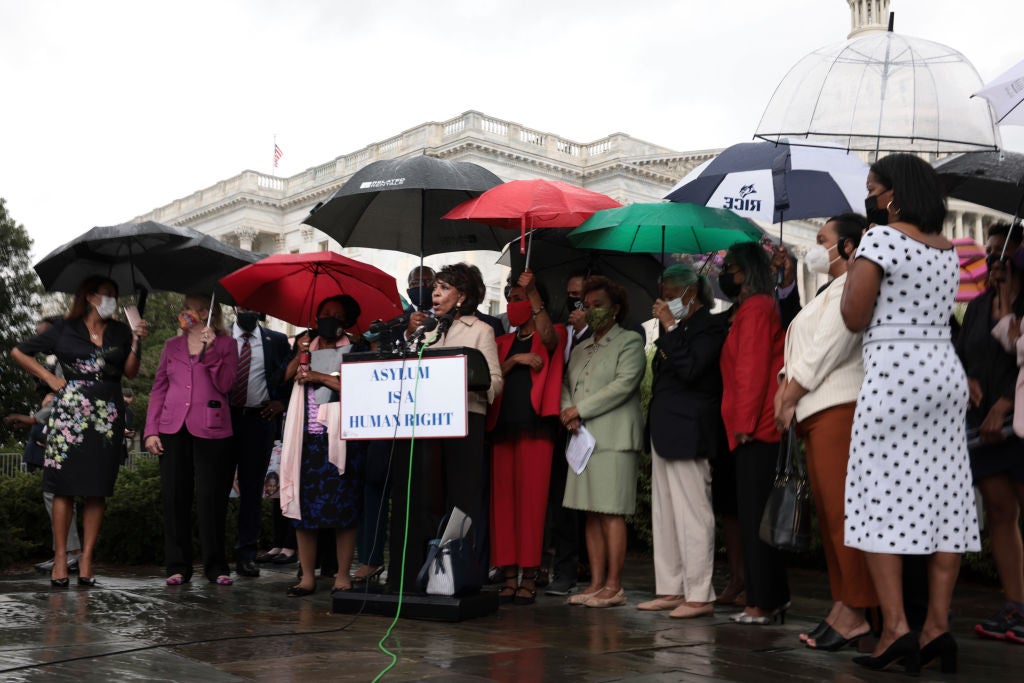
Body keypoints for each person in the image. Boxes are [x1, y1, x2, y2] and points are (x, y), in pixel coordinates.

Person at [841, 153, 981, 674]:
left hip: (896, 372)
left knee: (878, 493)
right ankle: (937, 628)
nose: (870, 197)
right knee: (945, 492)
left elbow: (854, 317)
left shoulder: (879, 239)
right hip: (943, 372)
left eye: (874, 188)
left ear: (893, 193)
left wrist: (858, 260)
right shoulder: (948, 251)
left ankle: (896, 628)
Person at [774, 213, 878, 649]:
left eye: (822, 239)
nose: (815, 247)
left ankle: (856, 610)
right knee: (831, 515)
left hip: (838, 405)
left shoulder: (852, 286)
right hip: (816, 410)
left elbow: (830, 346)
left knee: (842, 517)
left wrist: (789, 390)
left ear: (849, 246)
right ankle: (843, 603)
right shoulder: (825, 289)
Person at [12, 275, 147, 587]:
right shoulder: (63, 326)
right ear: (89, 296)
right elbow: (19, 352)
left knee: (97, 488)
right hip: (69, 415)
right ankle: (62, 557)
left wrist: (137, 340)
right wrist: (48, 377)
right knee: (63, 487)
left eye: (115, 294)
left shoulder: (120, 330)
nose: (111, 299)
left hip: (107, 414)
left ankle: (86, 557)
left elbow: (131, 372)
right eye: (106, 294)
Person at [388, 263, 504, 591]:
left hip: (466, 422)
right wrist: (411, 336)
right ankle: (419, 573)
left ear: (462, 295)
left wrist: (468, 381)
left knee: (460, 499)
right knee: (424, 497)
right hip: (427, 425)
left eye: (443, 288)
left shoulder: (480, 330)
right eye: (434, 288)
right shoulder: (426, 330)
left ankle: (453, 574)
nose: (434, 294)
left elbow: (495, 380)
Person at [639, 264, 726, 619]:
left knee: (693, 513)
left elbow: (692, 369)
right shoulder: (678, 328)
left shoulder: (711, 326)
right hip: (665, 429)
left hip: (691, 430)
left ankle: (700, 593)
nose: (667, 302)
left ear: (691, 294)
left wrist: (671, 327)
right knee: (665, 514)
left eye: (673, 295)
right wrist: (669, 329)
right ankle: (672, 588)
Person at [955, 222, 1024, 642]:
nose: (994, 263)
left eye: (1002, 255)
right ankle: (1015, 604)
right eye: (989, 254)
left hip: (1017, 420)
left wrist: (1007, 403)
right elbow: (962, 352)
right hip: (983, 426)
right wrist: (966, 381)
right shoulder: (980, 306)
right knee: (1000, 512)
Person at [561, 275, 645, 608]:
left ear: (616, 309)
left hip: (613, 437)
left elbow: (624, 384)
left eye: (598, 306)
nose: (591, 311)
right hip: (583, 438)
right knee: (590, 513)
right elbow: (567, 384)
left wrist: (580, 408)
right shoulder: (580, 347)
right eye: (587, 305)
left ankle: (614, 585)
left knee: (611, 512)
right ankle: (596, 583)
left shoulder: (629, 341)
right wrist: (567, 409)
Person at [145, 294, 238, 586]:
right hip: (172, 428)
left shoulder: (226, 344)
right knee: (175, 497)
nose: (187, 313)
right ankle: (177, 566)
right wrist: (151, 430)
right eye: (185, 308)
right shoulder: (171, 346)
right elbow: (159, 388)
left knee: (211, 499)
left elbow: (226, 384)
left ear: (208, 313)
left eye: (193, 308)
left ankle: (216, 566)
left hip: (212, 429)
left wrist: (210, 351)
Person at [718, 241, 788, 625]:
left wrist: (743, 425)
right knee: (758, 518)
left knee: (756, 519)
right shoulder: (754, 308)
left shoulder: (757, 308)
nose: (726, 274)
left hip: (756, 429)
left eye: (731, 267)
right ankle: (772, 596)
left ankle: (762, 601)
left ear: (746, 271)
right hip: (755, 427)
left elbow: (751, 369)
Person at [487, 271, 566, 605]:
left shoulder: (556, 330)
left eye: (519, 298)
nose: (513, 304)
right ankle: (507, 574)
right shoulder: (502, 342)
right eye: (512, 298)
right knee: (502, 505)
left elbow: (548, 338)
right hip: (502, 428)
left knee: (533, 505)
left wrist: (532, 291)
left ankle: (530, 575)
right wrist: (516, 359)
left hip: (537, 428)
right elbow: (490, 373)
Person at [280, 295, 367, 597]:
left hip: (341, 439)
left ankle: (342, 574)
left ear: (346, 321)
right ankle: (307, 577)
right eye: (324, 314)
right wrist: (301, 352)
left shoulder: (356, 348)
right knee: (304, 510)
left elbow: (357, 388)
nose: (328, 319)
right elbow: (286, 377)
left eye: (336, 315)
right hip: (306, 441)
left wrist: (319, 376)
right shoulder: (306, 345)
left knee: (344, 508)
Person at [229, 307, 292, 578]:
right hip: (223, 420)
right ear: (233, 307)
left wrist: (282, 403)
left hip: (259, 420)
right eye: (242, 304)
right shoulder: (219, 338)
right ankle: (214, 556)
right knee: (215, 488)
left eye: (253, 304)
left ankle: (247, 555)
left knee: (252, 491)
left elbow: (290, 377)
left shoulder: (276, 340)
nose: (247, 309)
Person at [544, 271, 590, 597]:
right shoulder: (561, 330)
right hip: (560, 423)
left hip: (590, 426)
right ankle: (561, 565)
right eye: (570, 294)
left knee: (584, 504)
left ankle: (580, 566)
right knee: (559, 501)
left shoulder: (614, 333)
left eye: (582, 296)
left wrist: (586, 327)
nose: (574, 301)